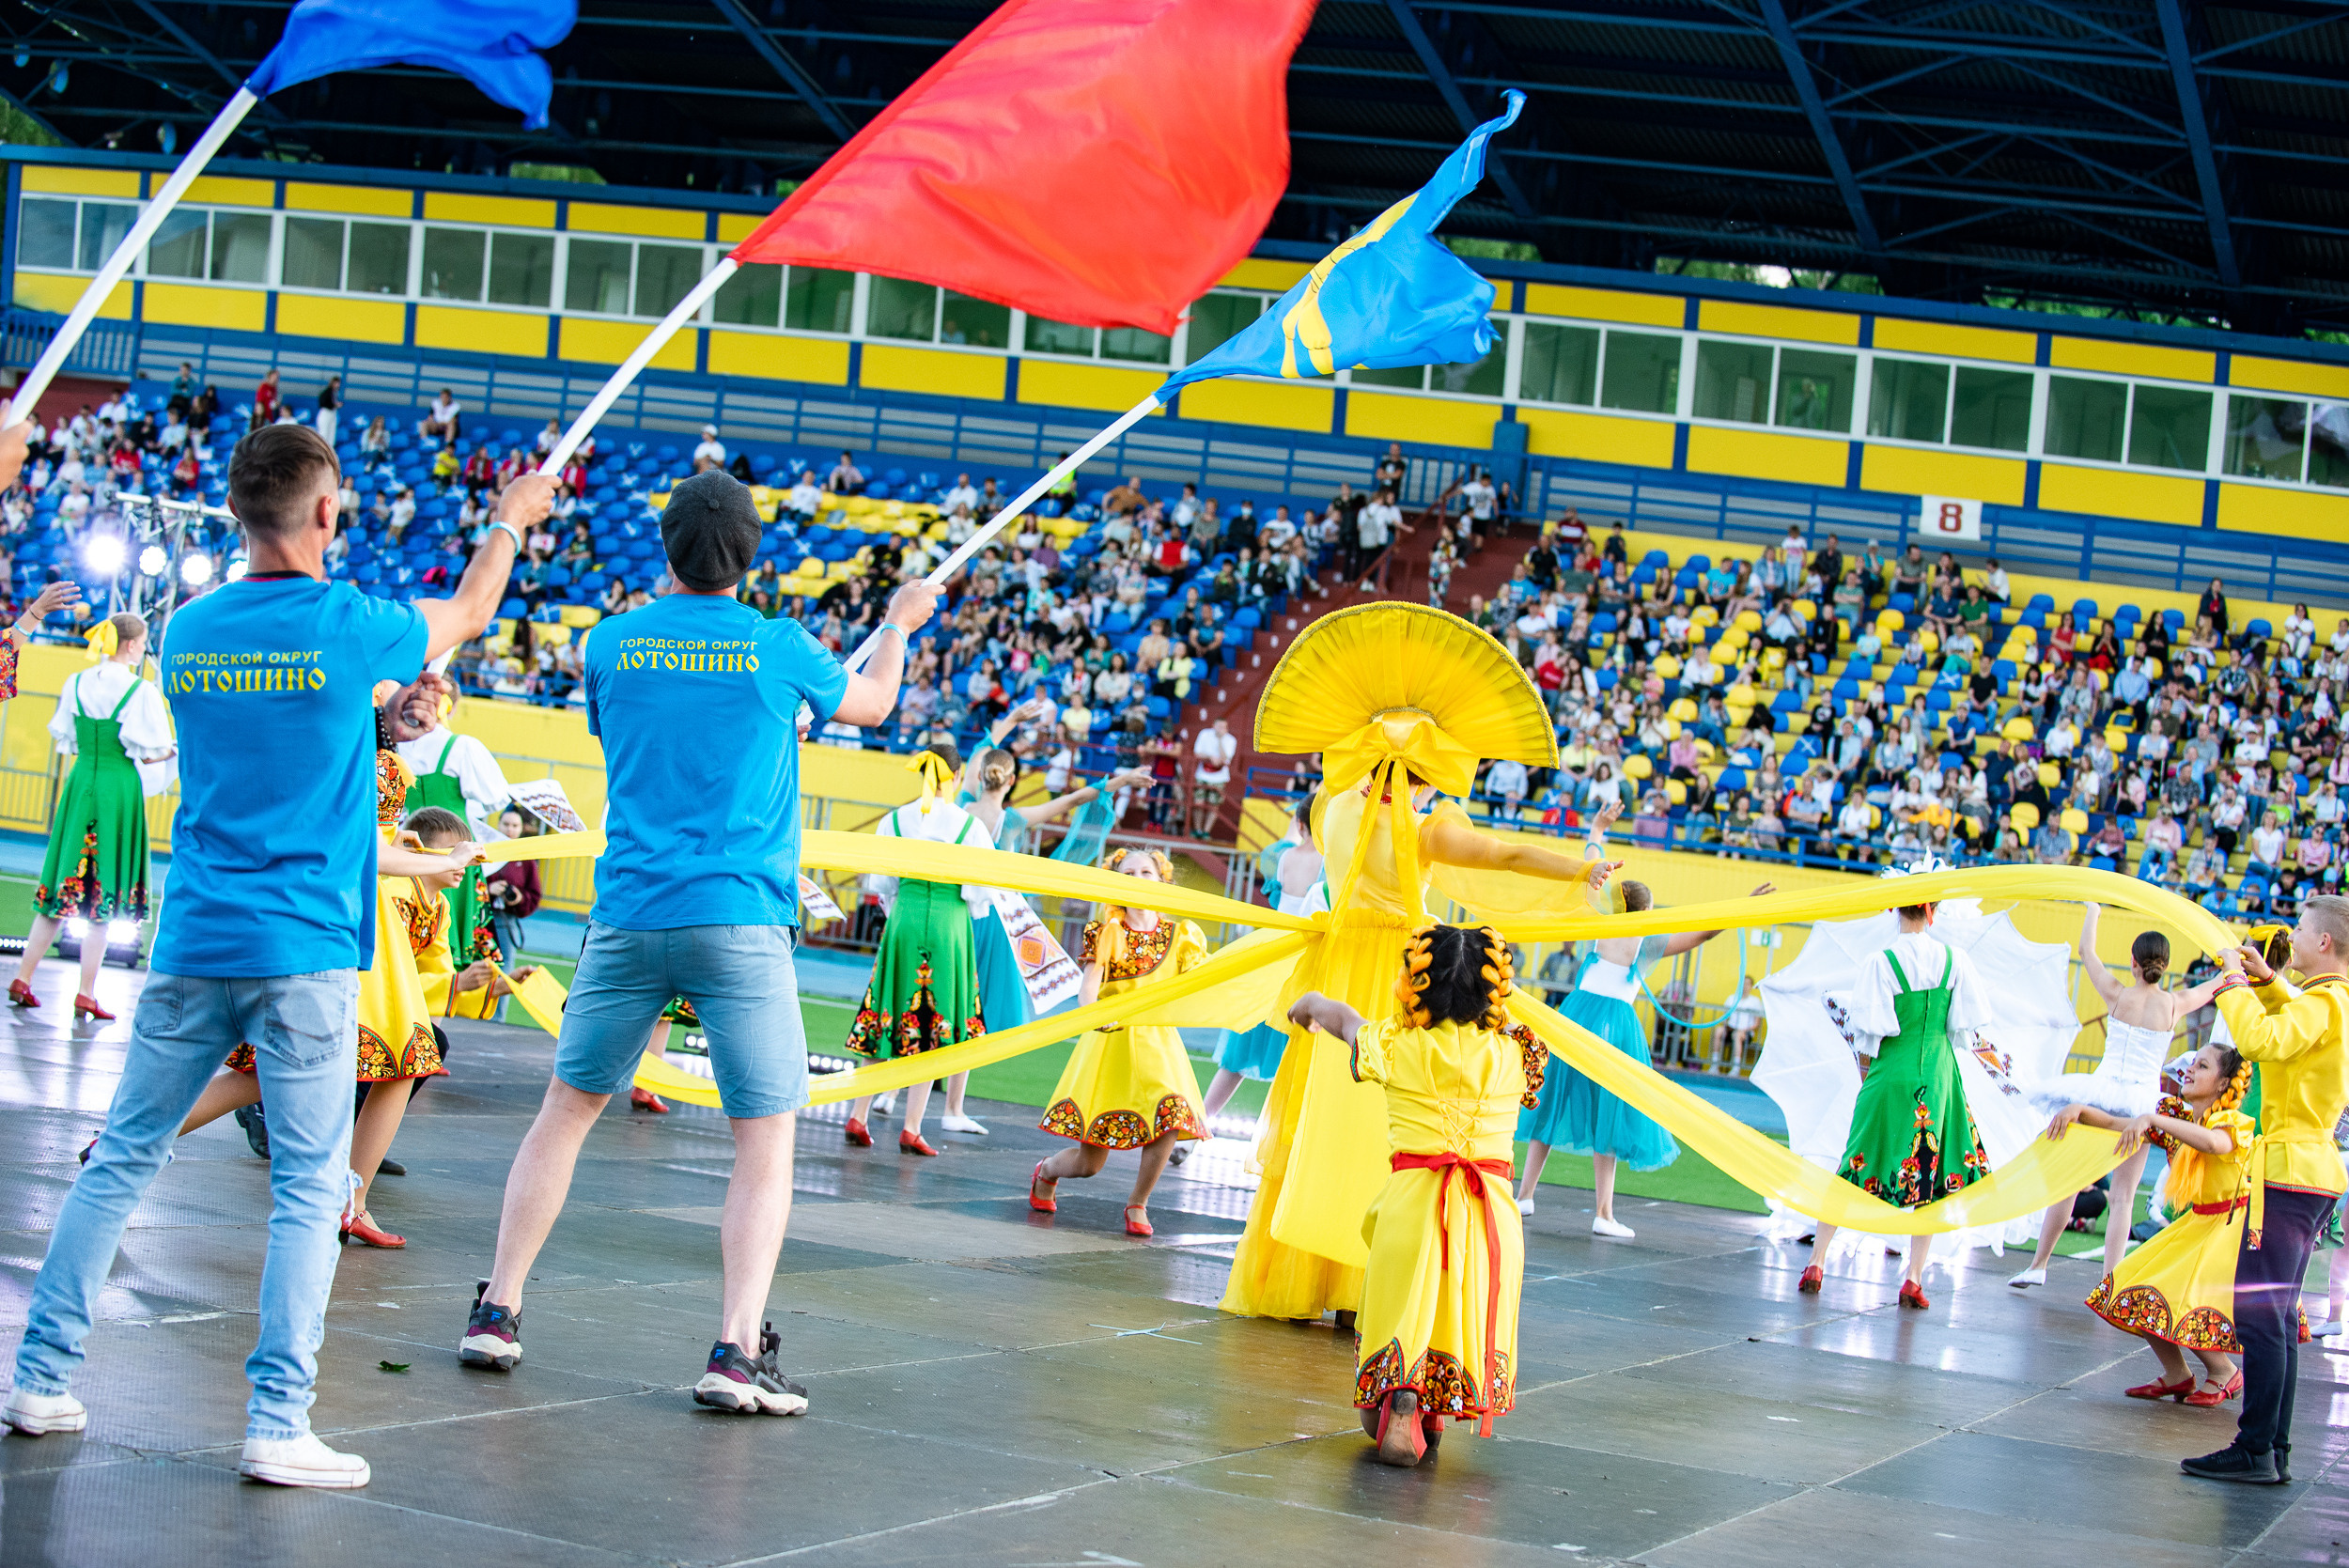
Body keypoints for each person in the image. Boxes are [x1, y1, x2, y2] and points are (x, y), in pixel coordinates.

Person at [1, 421, 543, 1488]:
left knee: (121, 1160)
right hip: (301, 948)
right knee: (309, 1189)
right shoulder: (349, 623)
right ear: (329, 512)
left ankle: (40, 1376)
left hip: (199, 934)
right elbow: (473, 612)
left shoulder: (192, 631)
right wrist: (506, 521)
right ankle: (276, 1420)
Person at [462, 471, 938, 1416]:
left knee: (566, 1110)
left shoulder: (611, 642)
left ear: (666, 544)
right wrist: (899, 623)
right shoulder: (776, 646)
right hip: (738, 921)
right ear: (753, 552)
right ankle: (732, 1349)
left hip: (628, 914)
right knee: (762, 1144)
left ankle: (498, 1308)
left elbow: (639, 729)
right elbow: (877, 705)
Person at [1221, 603, 1616, 1327]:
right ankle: (1362, 1285)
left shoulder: (1332, 799)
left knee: (1322, 1120)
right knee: (1385, 1124)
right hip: (1405, 970)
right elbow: (1504, 855)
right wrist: (1578, 866)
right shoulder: (1425, 828)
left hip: (1337, 957)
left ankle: (1304, 1277)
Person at [162, 798, 515, 1248]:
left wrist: (479, 988)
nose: (465, 861)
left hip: (367, 979)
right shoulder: (393, 890)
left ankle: (134, 1142)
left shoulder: (437, 908)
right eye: (452, 851)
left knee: (281, 1076)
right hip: (355, 972)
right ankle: (350, 1199)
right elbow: (363, 850)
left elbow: (430, 976)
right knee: (396, 1065)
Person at [1286, 924, 1544, 1466]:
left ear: (1416, 983)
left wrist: (1312, 1002)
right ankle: (1436, 1410)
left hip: (1413, 1204)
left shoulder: (1395, 1044)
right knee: (1457, 1310)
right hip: (1489, 1213)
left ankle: (1401, 1399)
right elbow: (1515, 1027)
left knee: (1401, 1307)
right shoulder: (1517, 1052)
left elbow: (1345, 1022)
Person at [1514, 802, 1771, 1235]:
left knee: (1551, 1100)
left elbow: (1591, 869)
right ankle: (1604, 1213)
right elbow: (1703, 932)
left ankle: (1524, 1197)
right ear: (1647, 912)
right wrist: (1744, 907)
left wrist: (1597, 828)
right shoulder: (1646, 944)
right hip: (1614, 1025)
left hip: (1575, 1015)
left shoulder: (1599, 924)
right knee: (1609, 1114)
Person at [2184, 899, 2349, 1484]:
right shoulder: (2332, 1000)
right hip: (2307, 1169)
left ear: (2324, 943)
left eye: (2301, 929)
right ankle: (2267, 1447)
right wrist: (2269, 980)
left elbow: (2259, 1040)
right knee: (2275, 1318)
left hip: (2289, 1172)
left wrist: (2230, 980)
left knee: (2260, 1315)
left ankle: (2257, 1447)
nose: (2292, 935)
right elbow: (2295, 1020)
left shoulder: (2328, 1001)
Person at [2011, 908, 2224, 1288]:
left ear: (2133, 962)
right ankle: (2110, 1282)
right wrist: (2231, 951)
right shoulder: (2173, 1004)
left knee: (2068, 1183)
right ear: (2165, 964)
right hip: (2140, 1104)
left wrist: (2094, 908)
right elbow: (2219, 984)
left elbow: (2086, 951)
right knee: (2123, 1197)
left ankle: (2039, 1264)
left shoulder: (2118, 993)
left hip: (2100, 1093)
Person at [1797, 899, 1991, 1311]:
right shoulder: (1955, 960)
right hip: (1938, 1071)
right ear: (1933, 912)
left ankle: (1817, 1262)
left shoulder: (1880, 962)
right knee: (1932, 1175)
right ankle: (1912, 1277)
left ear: (1894, 911)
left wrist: (1868, 1078)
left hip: (1891, 1066)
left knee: (1855, 1160)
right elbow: (1963, 1025)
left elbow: (1868, 1030)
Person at [1028, 848, 1211, 1236]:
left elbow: (1198, 985)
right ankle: (1046, 1170)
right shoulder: (1109, 931)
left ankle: (1138, 1203)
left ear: (1162, 880)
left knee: (1171, 1115)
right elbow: (1088, 987)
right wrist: (1096, 1011)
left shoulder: (1182, 935)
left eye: (1147, 871)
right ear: (1116, 882)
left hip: (1159, 1043)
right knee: (1090, 1163)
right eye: (1129, 872)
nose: (1139, 877)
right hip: (1112, 1041)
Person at [10, 613, 174, 1019]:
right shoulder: (140, 690)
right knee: (106, 889)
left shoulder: (77, 681)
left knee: (59, 886)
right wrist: (171, 752)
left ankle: (23, 976)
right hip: (117, 789)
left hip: (82, 782)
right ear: (134, 646)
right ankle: (85, 991)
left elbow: (66, 737)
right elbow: (151, 750)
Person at [2074, 1042, 2254, 1409]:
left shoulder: (2231, 1122)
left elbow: (2215, 1144)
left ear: (2222, 1085)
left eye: (2201, 1066)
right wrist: (2078, 1112)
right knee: (2136, 1288)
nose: (2189, 1070)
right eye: (2191, 1063)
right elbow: (2114, 1124)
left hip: (2229, 1226)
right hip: (2198, 1222)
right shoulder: (2177, 1117)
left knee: (2186, 1300)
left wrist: (2154, 1120)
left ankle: (2223, 1372)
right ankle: (2177, 1375)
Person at [842, 748, 990, 1154]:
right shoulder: (970, 826)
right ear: (957, 777)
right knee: (934, 1023)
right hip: (948, 922)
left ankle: (859, 1114)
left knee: (884, 1009)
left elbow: (880, 884)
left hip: (904, 916)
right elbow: (979, 894)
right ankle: (912, 1126)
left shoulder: (894, 820)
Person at [1206, 803, 1322, 1122]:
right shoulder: (1333, 862)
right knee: (1298, 1056)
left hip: (1272, 958)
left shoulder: (1282, 856)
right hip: (1305, 964)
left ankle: (1202, 1120)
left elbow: (1290, 835)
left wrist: (1297, 815)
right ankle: (1277, 1137)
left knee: (1240, 1052)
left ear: (1300, 824)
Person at [1193, 717, 1238, 838]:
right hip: (1202, 774)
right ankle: (1197, 829)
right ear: (1213, 725)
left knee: (1214, 805)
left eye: (1224, 727)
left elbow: (1226, 759)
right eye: (1219, 726)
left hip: (1219, 777)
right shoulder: (1204, 734)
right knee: (1199, 803)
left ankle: (1206, 831)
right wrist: (1210, 757)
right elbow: (1197, 753)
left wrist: (1220, 741)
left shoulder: (1231, 740)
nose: (1222, 729)